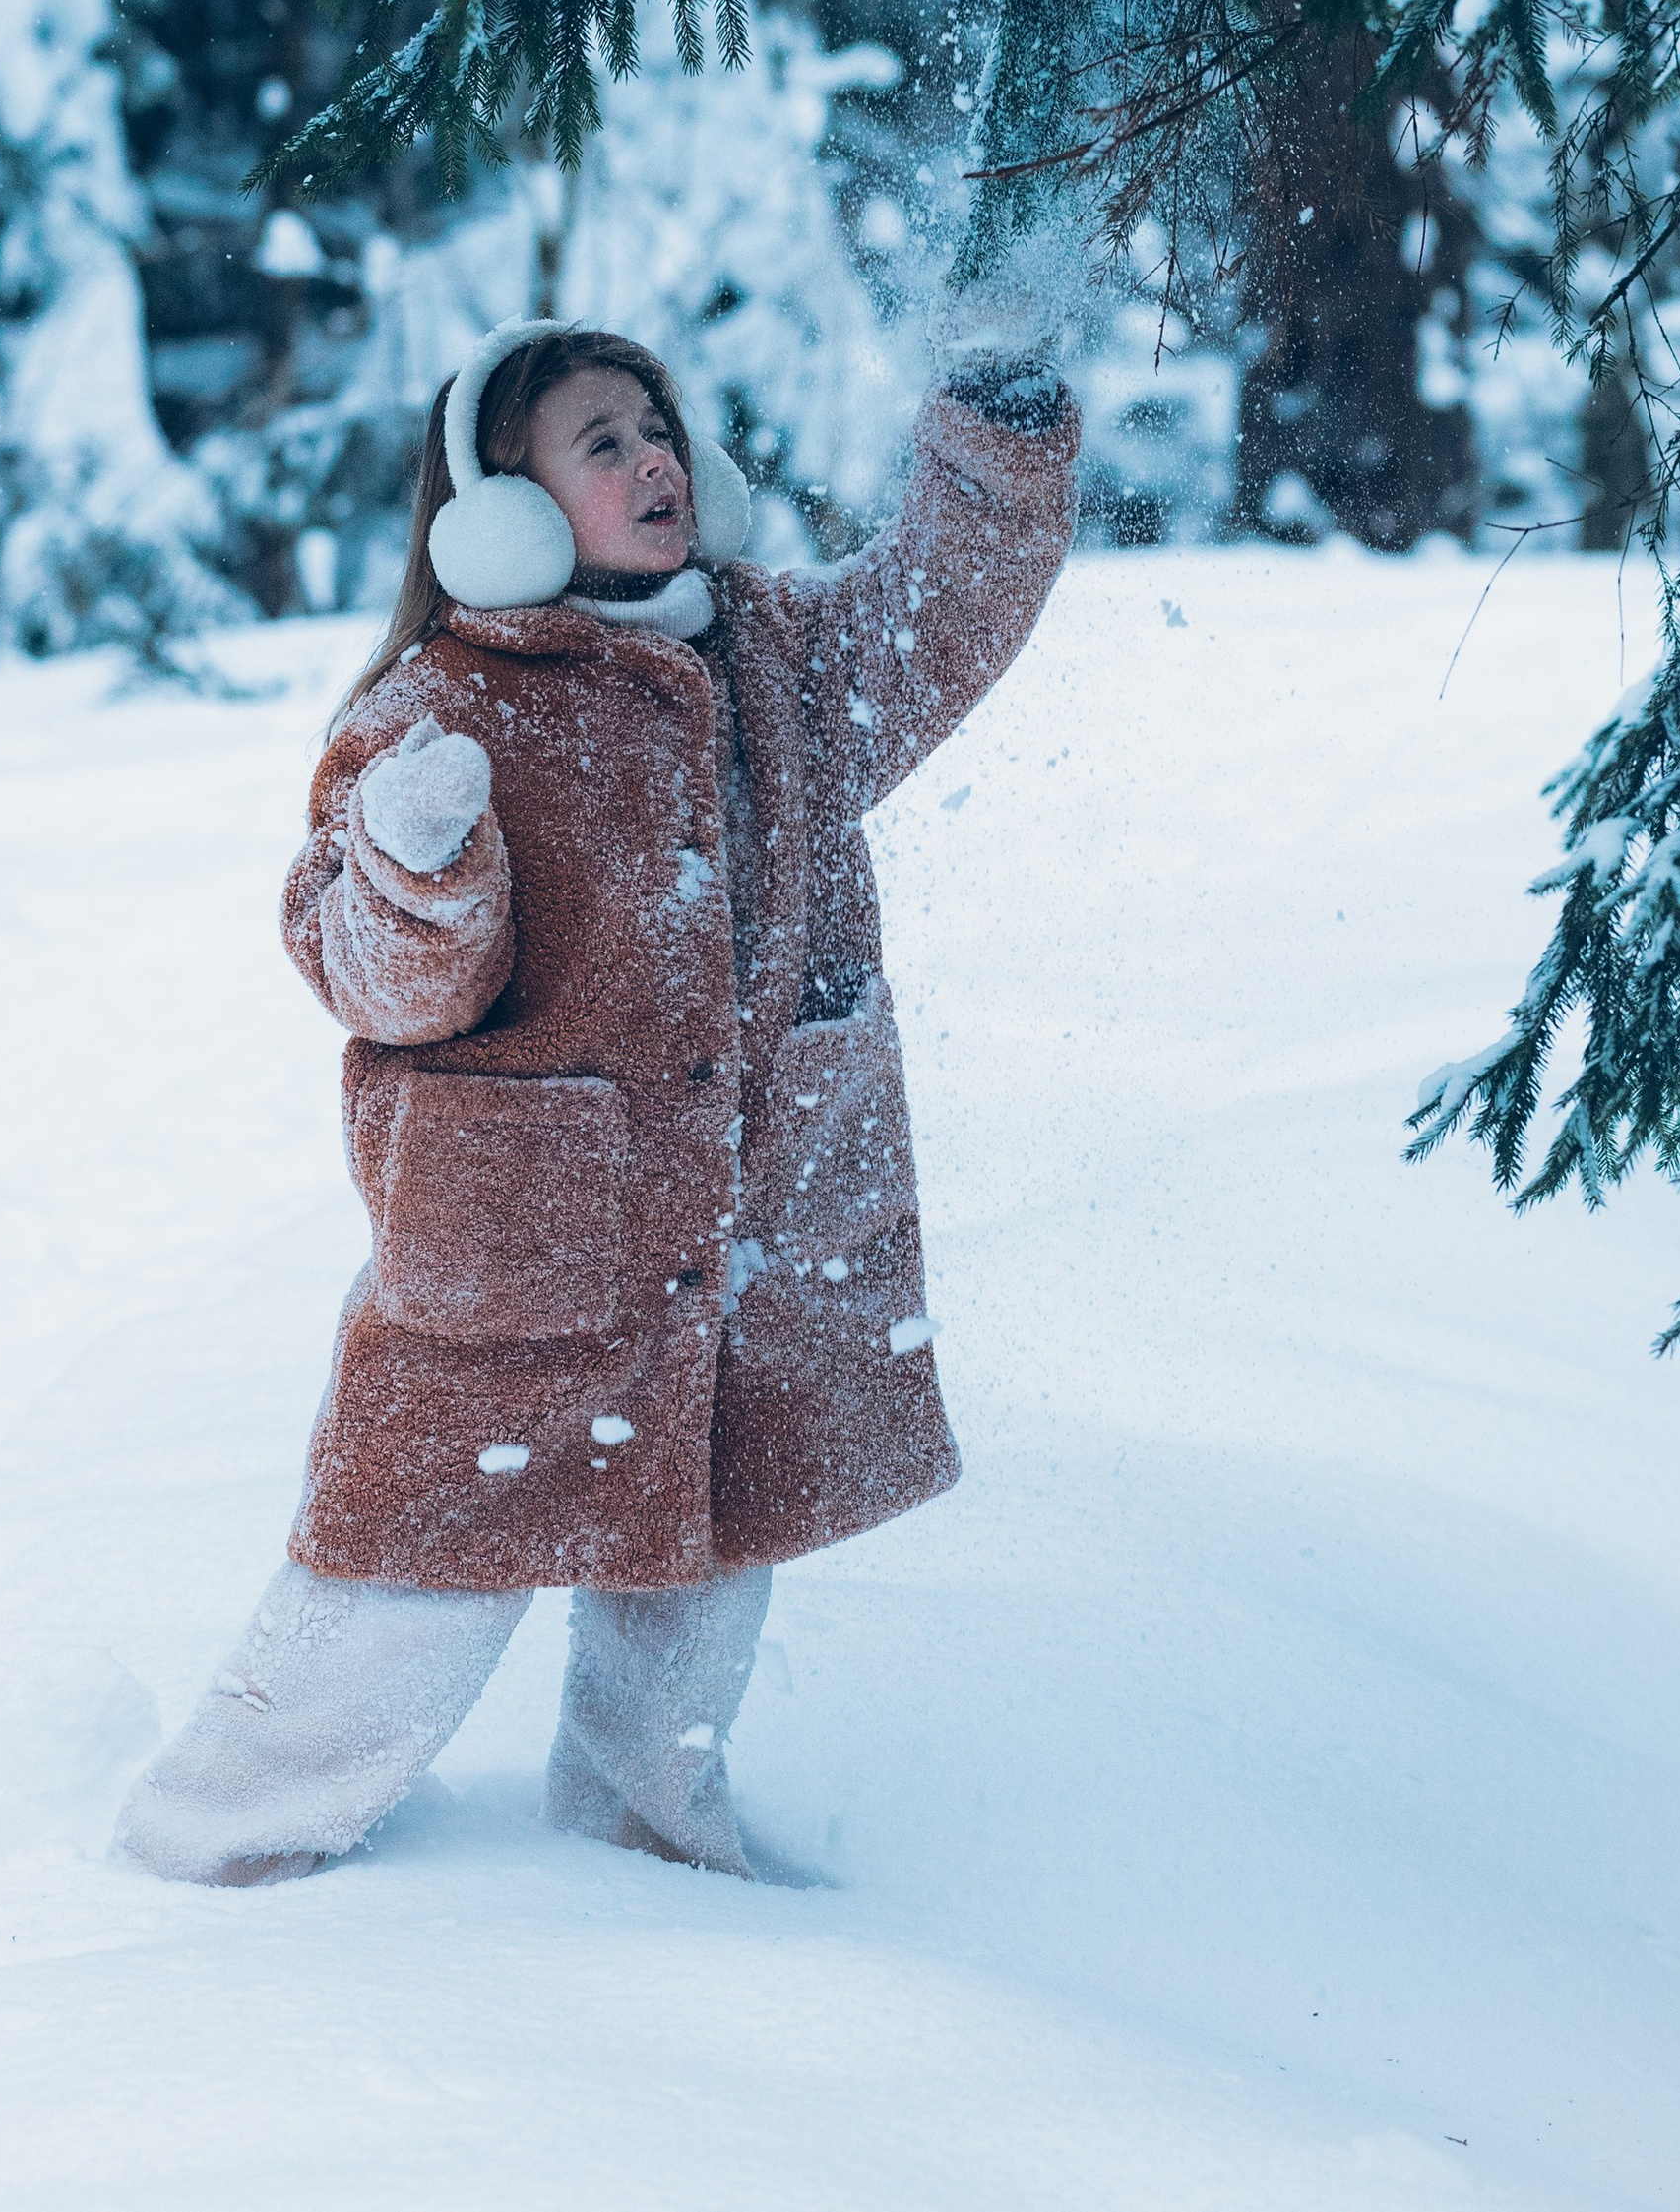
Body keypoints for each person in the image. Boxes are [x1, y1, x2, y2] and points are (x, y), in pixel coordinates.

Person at [113, 317, 1079, 1886]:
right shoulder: (441, 707)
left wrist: (998, 438)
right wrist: (413, 865)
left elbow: (940, 613)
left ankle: (644, 1847)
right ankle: (214, 1840)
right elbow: (376, 979)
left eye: (658, 427)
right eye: (601, 442)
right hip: (526, 1253)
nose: (651, 460)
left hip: (754, 1220)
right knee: (413, 1566)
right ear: (504, 508)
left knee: (709, 1547)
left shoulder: (782, 661)